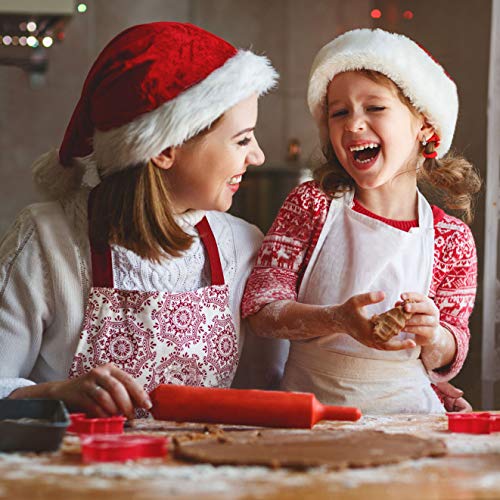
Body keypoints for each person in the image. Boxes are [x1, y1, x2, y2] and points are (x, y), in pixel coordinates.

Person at [0, 22, 278, 418]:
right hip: (77, 476)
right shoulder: (48, 239)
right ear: (165, 149)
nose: (257, 157)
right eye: (242, 140)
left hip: (205, 476)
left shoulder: (243, 245)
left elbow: (264, 392)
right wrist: (56, 394)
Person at [241, 28, 481, 414]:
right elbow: (262, 311)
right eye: (339, 112)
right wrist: (337, 319)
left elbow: (452, 349)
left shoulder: (450, 238)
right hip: (308, 411)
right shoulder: (310, 206)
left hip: (408, 415)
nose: (353, 124)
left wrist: (433, 335)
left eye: (374, 107)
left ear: (425, 126)